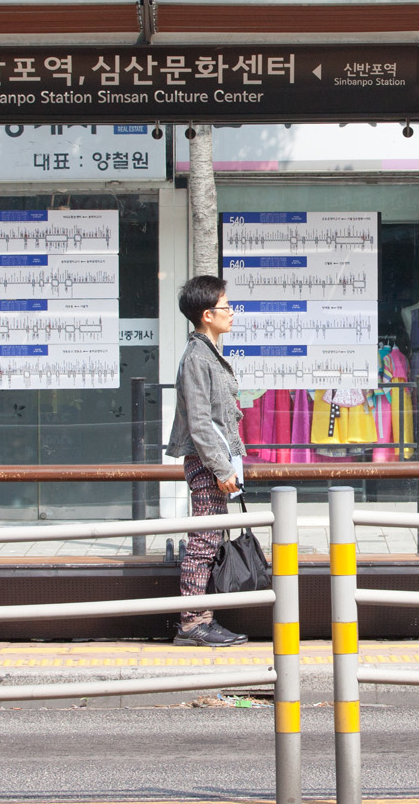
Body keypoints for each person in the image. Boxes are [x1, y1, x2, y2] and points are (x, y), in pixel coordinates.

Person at [165, 275, 248, 647]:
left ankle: (203, 618)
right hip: (207, 463)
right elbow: (200, 421)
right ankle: (191, 623)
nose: (231, 313)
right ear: (207, 315)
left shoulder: (207, 353)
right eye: (226, 307)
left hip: (215, 461)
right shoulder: (198, 357)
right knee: (203, 541)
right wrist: (222, 468)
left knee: (210, 540)